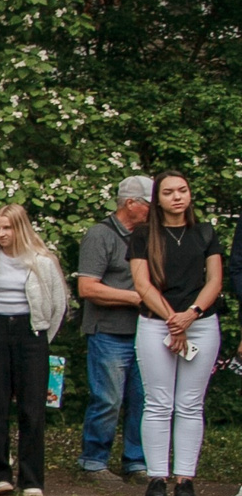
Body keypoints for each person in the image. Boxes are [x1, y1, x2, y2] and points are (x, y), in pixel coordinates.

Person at [128, 168, 222, 496]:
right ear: (157, 199)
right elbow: (142, 284)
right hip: (157, 323)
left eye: (182, 190)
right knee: (158, 402)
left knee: (190, 403)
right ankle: (157, 477)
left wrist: (190, 315)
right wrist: (173, 321)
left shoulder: (205, 232)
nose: (177, 197)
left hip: (200, 323)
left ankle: (185, 479)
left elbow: (214, 281)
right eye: (168, 192)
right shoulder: (143, 235)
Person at [0, 203, 69, 496]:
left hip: (31, 332)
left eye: (8, 228)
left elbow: (58, 304)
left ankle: (31, 478)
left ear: (21, 228)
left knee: (32, 408)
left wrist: (41, 334)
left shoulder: (42, 261)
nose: (2, 234)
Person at [73, 176, 153, 478]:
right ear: (131, 203)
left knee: (143, 400)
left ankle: (136, 461)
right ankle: (93, 461)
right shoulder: (100, 235)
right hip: (108, 332)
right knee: (108, 400)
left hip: (145, 331)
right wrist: (137, 297)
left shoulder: (148, 236)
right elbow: (87, 288)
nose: (155, 211)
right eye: (150, 205)